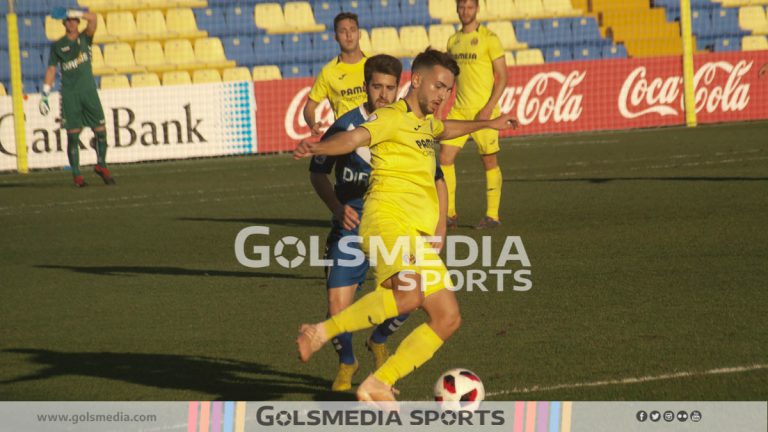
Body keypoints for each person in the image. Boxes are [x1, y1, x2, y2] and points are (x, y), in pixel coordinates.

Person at [294, 48, 517, 401]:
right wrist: (317, 146)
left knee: (447, 317)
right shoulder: (392, 117)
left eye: (448, 89)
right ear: (416, 80)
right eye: (439, 86)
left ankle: (378, 382)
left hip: (417, 232)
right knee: (409, 295)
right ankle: (320, 332)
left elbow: (447, 129)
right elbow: (354, 138)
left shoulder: (426, 124)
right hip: (388, 219)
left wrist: (487, 123)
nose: (443, 95)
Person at [310, 54, 412, 392]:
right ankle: (347, 362)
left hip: (393, 227)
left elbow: (435, 178)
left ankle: (379, 339)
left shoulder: (408, 126)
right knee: (336, 306)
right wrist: (338, 207)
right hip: (351, 228)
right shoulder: (345, 126)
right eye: (377, 87)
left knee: (414, 294)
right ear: (366, 87)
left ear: (400, 88)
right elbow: (318, 172)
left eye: (390, 88)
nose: (383, 94)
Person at [440, 0, 507, 229]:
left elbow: (503, 76)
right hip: (460, 110)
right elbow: (448, 79)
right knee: (444, 158)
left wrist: (489, 107)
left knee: (488, 161)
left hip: (484, 111)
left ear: (477, 8)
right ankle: (449, 214)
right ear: (457, 9)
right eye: (461, 7)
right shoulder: (453, 41)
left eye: (469, 7)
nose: (465, 11)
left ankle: (492, 216)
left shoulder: (490, 38)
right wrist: (440, 108)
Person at [40, 8, 115, 187]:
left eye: (74, 20)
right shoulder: (58, 46)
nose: (71, 23)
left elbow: (94, 19)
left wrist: (74, 11)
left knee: (101, 131)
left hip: (89, 92)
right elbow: (51, 69)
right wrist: (45, 94)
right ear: (63, 23)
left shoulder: (85, 38)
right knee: (73, 136)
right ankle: (77, 175)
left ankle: (101, 165)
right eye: (68, 20)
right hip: (70, 95)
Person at [302, 12, 367, 136]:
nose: (349, 35)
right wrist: (312, 124)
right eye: (343, 31)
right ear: (336, 37)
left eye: (352, 30)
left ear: (359, 34)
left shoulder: (374, 64)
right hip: (346, 137)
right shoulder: (328, 72)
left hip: (374, 134)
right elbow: (309, 108)